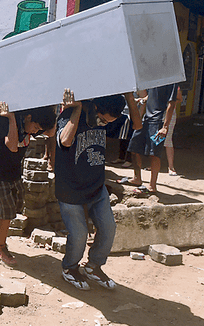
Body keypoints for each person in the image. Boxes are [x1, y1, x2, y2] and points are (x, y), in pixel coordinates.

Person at [56, 89, 140, 290]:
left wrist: (129, 97)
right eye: (102, 120)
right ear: (94, 108)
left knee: (109, 228)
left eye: (109, 122)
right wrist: (77, 109)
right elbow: (65, 140)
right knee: (79, 235)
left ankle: (93, 267)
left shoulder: (108, 116)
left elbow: (136, 125)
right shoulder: (69, 113)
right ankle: (69, 268)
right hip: (70, 187)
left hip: (96, 186)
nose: (105, 125)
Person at [0, 102, 56, 266]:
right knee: (7, 211)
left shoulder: (33, 122)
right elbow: (12, 146)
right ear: (28, 117)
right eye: (34, 127)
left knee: (14, 208)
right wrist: (12, 117)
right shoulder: (4, 121)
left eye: (37, 129)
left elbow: (51, 133)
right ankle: (1, 248)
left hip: (14, 172)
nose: (35, 131)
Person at [125, 83, 179, 194]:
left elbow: (172, 104)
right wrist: (142, 100)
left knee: (154, 153)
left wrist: (165, 127)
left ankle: (152, 186)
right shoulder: (155, 79)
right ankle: (137, 178)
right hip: (146, 120)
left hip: (159, 122)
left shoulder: (172, 82)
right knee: (134, 148)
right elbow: (152, 96)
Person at [165, 86, 182, 176]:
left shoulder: (175, 87)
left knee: (168, 139)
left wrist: (172, 102)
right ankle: (153, 164)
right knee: (155, 139)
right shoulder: (155, 85)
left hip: (170, 114)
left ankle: (171, 167)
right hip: (157, 112)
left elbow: (180, 99)